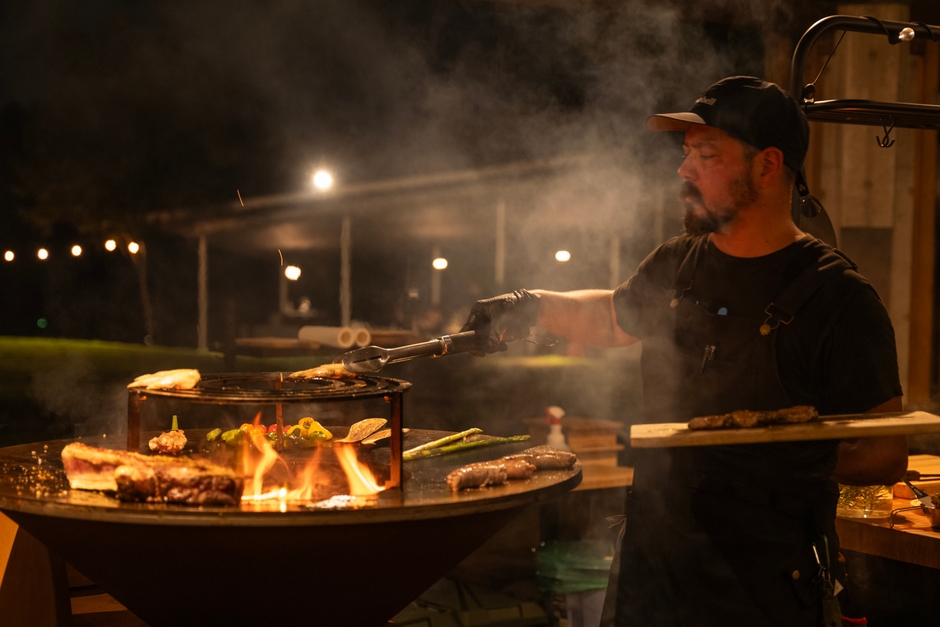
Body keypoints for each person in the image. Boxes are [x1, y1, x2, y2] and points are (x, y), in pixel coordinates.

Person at [460, 76, 907, 626]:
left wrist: (781, 451)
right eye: (687, 152)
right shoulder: (679, 263)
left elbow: (885, 452)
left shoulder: (840, 299)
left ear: (767, 167)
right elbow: (614, 316)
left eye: (707, 154)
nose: (684, 170)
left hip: (765, 584)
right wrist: (528, 304)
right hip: (655, 564)